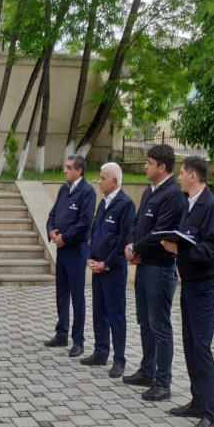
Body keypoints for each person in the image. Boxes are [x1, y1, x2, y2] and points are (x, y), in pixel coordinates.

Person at [161, 156, 214, 427]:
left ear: (194, 176)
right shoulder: (190, 204)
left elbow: (212, 250)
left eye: (183, 173)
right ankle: (198, 402)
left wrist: (179, 251)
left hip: (205, 286)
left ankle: (211, 416)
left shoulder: (211, 207)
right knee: (190, 345)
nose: (179, 177)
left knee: (201, 347)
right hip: (190, 284)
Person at [124, 144, 186, 402]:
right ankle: (147, 371)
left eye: (149, 163)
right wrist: (130, 246)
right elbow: (138, 223)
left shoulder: (173, 195)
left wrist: (137, 248)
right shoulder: (150, 191)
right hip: (143, 264)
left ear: (162, 167)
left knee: (160, 326)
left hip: (160, 269)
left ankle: (163, 382)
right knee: (144, 321)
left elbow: (160, 232)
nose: (145, 167)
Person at [84, 162, 135, 378]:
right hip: (98, 267)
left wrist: (106, 263)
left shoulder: (125, 204)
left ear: (114, 181)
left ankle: (119, 359)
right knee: (99, 312)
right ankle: (100, 351)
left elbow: (123, 240)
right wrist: (91, 258)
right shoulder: (103, 203)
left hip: (113, 269)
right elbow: (95, 233)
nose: (98, 181)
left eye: (102, 177)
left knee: (116, 315)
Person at [44, 155, 95, 357]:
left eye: (68, 168)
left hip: (76, 250)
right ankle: (61, 333)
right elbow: (52, 216)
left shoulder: (87, 192)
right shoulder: (64, 190)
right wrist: (51, 232)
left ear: (79, 171)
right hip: (62, 250)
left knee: (77, 296)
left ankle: (78, 340)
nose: (64, 171)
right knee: (61, 293)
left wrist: (65, 237)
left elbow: (84, 224)